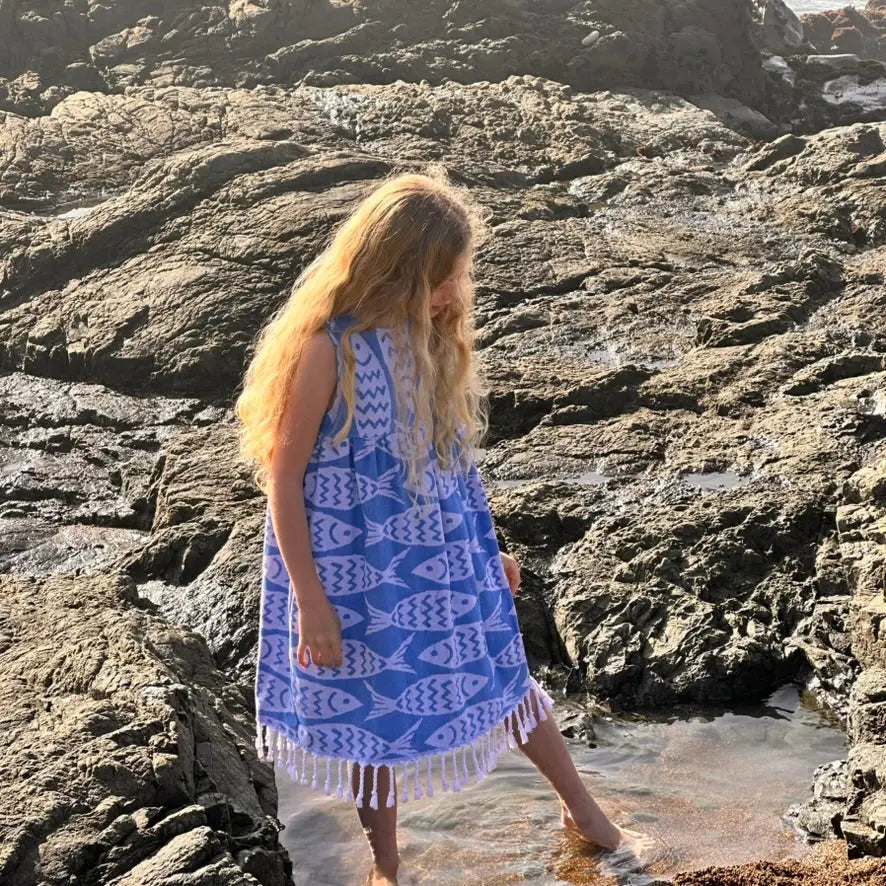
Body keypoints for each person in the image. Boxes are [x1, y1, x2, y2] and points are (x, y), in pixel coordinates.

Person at [235, 165, 656, 885]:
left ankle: (584, 813)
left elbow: (452, 464)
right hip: (355, 570)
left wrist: (490, 549)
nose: (453, 293)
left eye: (456, 277)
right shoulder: (328, 350)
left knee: (505, 673)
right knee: (372, 713)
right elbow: (283, 475)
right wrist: (310, 600)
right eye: (440, 278)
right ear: (395, 271)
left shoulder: (430, 340)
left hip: (447, 552)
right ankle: (387, 866)